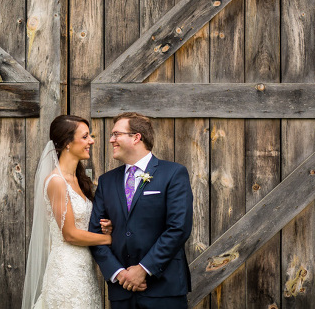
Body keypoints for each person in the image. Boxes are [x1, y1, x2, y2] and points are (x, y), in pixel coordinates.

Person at [89, 112, 193, 309]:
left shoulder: (173, 173)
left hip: (164, 288)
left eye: (116, 134)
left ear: (136, 137)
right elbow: (95, 233)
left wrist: (143, 269)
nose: (111, 140)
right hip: (122, 291)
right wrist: (119, 273)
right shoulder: (106, 181)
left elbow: (179, 227)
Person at [22, 115, 113, 309]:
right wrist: (110, 239)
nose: (91, 141)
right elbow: (70, 234)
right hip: (67, 271)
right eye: (85, 136)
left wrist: (105, 227)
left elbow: (83, 223)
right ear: (67, 143)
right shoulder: (57, 181)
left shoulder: (78, 179)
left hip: (84, 269)